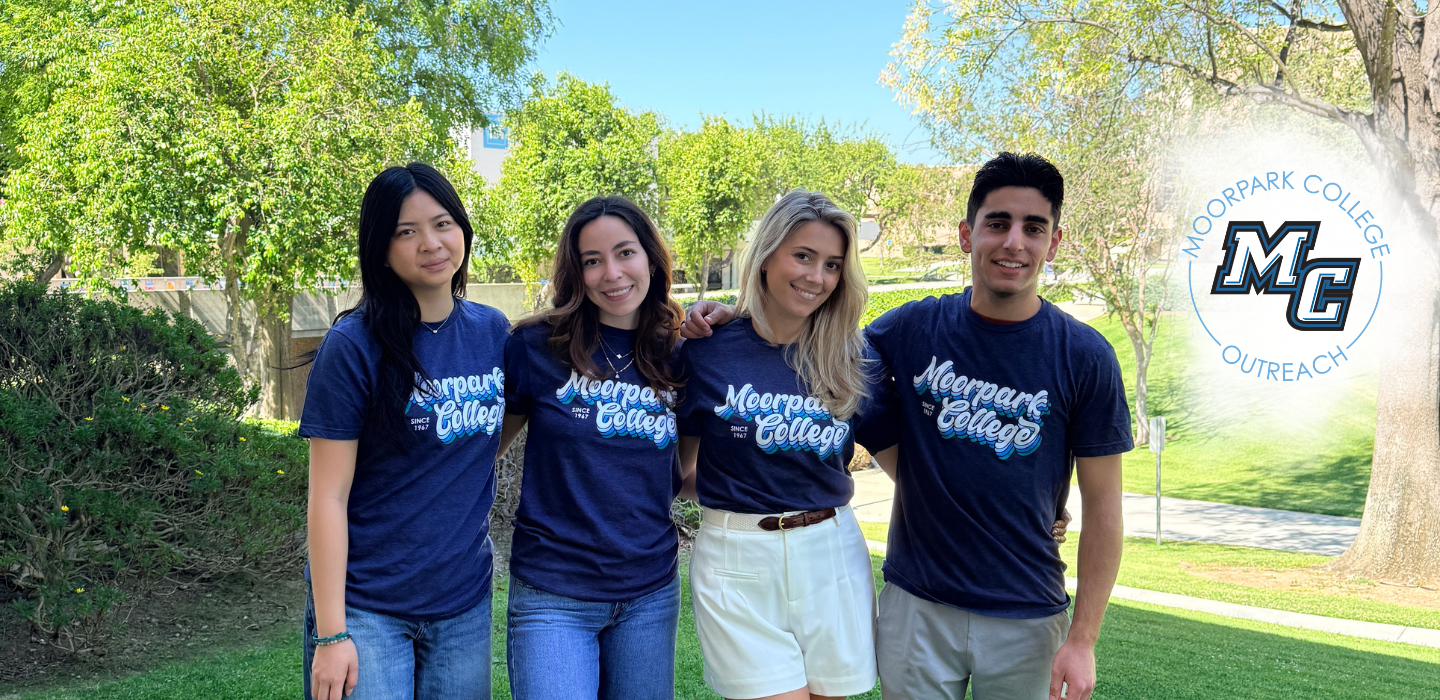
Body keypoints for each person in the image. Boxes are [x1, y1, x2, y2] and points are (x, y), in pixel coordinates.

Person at [683, 152, 1122, 700]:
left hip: (1026, 609)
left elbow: (1104, 507)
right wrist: (727, 315)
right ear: (967, 235)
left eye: (1034, 228)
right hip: (917, 600)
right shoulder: (911, 329)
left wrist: (1083, 637)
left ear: (1053, 243)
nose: (1014, 243)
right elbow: (787, 340)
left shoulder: (1084, 355)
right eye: (997, 223)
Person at [301, 163, 509, 700]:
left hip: (463, 602)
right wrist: (331, 632)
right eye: (405, 231)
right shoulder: (353, 345)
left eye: (442, 223)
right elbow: (327, 496)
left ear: (462, 227)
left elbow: (483, 439)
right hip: (368, 608)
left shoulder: (493, 332)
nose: (431, 243)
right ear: (381, 247)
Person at [676, 190, 892, 700]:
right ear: (767, 255)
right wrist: (729, 490)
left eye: (833, 264)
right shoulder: (705, 351)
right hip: (737, 559)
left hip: (832, 555)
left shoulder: (853, 360)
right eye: (803, 256)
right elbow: (679, 471)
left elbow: (909, 469)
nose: (816, 277)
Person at [498, 196, 688, 700]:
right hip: (552, 594)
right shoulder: (537, 347)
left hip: (650, 591)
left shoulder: (680, 351)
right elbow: (482, 450)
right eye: (592, 261)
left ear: (650, 258)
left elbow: (690, 469)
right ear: (576, 273)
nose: (612, 273)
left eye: (625, 253)